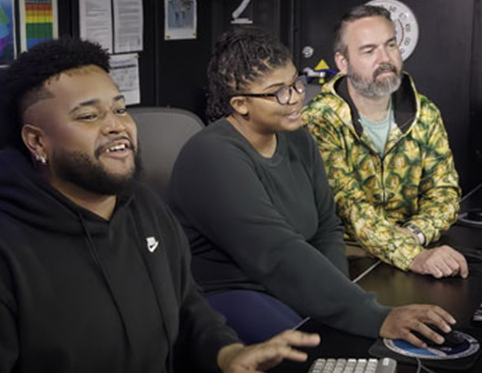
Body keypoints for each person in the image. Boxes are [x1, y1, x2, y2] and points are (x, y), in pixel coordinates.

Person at [0, 38, 319, 373]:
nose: (116, 125)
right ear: (37, 142)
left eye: (120, 108)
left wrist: (226, 354)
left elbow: (188, 305)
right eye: (89, 115)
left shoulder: (144, 207)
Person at [167, 28, 455, 345]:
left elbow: (326, 226)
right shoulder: (212, 156)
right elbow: (275, 252)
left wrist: (339, 298)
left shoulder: (297, 136)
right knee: (319, 346)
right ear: (240, 104)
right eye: (278, 92)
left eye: (296, 84)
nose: (295, 99)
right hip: (230, 291)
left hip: (287, 278)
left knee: (342, 331)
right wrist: (372, 315)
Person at [303, 4, 468, 279]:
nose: (385, 58)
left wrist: (416, 234)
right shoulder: (320, 120)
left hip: (417, 248)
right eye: (369, 51)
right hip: (347, 260)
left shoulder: (424, 112)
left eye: (390, 45)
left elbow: (445, 193)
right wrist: (412, 254)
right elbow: (350, 208)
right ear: (342, 63)